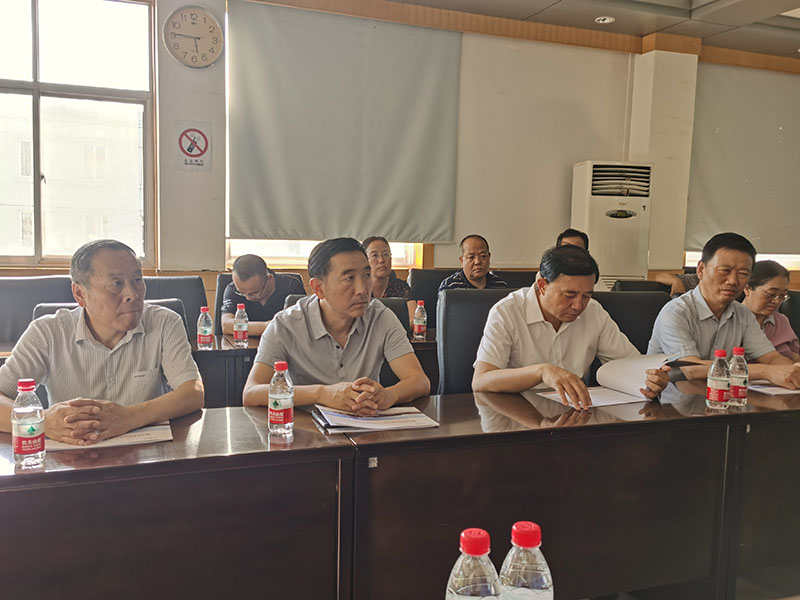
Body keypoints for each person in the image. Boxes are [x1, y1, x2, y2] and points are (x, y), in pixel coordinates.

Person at [0, 239, 204, 446]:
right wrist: (42, 421)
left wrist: (130, 417)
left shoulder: (164, 323)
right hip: (73, 457)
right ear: (80, 294)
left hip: (147, 455)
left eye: (137, 280)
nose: (132, 295)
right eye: (116, 284)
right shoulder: (48, 332)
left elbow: (193, 392)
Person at [243, 237, 429, 416]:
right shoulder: (286, 325)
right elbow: (251, 392)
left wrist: (389, 395)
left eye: (366, 276)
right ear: (318, 288)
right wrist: (321, 394)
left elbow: (419, 381)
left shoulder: (381, 317)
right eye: (349, 278)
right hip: (305, 428)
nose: (363, 289)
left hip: (366, 427)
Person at [472, 244, 669, 410]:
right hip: (518, 415)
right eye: (569, 295)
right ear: (542, 285)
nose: (578, 306)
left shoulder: (593, 311)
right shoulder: (507, 311)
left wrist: (649, 378)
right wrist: (542, 372)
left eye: (586, 296)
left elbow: (628, 362)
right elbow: (481, 381)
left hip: (576, 414)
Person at [648, 233, 800, 387]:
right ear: (701, 269)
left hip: (722, 398)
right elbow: (690, 369)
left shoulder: (743, 314)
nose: (733, 281)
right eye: (724, 271)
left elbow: (771, 358)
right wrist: (765, 371)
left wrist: (791, 370)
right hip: (672, 398)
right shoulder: (676, 312)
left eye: (743, 274)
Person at [221, 254, 306, 336]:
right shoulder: (233, 289)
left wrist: (242, 327)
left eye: (254, 293)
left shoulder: (291, 287)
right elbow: (226, 325)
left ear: (269, 279)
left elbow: (295, 327)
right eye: (242, 293)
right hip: (243, 344)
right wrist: (270, 326)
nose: (248, 298)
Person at [742, 260, 800, 361]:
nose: (776, 301)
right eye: (770, 294)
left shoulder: (781, 320)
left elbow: (796, 357)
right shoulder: (732, 321)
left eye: (782, 295)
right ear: (747, 288)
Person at [362, 236, 416, 325]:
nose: (381, 260)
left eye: (386, 254)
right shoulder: (359, 288)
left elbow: (415, 320)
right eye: (374, 255)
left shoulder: (400, 287)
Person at [438, 234, 508, 291]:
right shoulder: (450, 287)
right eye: (471, 257)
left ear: (489, 257)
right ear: (462, 261)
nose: (478, 262)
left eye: (483, 256)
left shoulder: (500, 285)